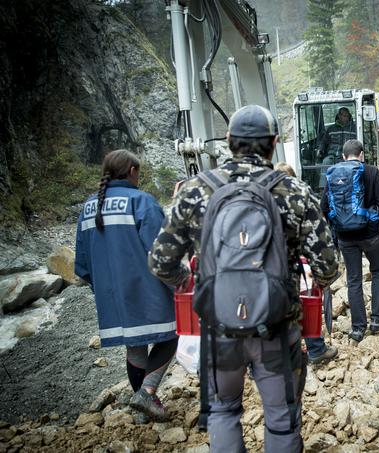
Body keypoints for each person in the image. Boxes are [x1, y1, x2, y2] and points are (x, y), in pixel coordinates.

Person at [148, 105, 339, 452]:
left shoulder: (195, 190)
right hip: (278, 328)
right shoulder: (294, 192)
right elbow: (328, 265)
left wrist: (188, 278)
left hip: (218, 327)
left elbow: (160, 262)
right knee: (282, 418)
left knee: (222, 411)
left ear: (228, 141)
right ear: (275, 143)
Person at [74, 149, 178, 422]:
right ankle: (147, 392)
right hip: (147, 292)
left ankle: (144, 408)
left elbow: (82, 265)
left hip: (113, 299)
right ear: (132, 171)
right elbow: (162, 254)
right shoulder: (141, 202)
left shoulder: (88, 208)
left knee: (135, 347)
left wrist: (106, 290)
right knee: (173, 334)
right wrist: (179, 283)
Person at [321, 139, 379, 342]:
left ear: (343, 156)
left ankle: (357, 328)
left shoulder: (333, 173)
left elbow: (323, 208)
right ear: (362, 155)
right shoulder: (372, 171)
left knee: (354, 280)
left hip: (346, 238)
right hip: (371, 235)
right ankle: (378, 319)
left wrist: (334, 234)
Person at [274, 161, 338, 364]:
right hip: (300, 265)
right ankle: (316, 348)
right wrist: (324, 275)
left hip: (270, 270)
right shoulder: (302, 199)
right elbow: (318, 239)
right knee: (308, 303)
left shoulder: (262, 200)